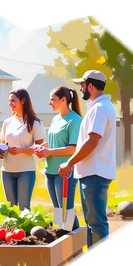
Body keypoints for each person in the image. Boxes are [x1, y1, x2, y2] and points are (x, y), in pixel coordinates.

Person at [58, 70, 117, 247]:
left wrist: (69, 163)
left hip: (94, 174)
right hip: (93, 173)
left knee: (97, 224)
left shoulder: (99, 109)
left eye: (82, 85)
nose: (81, 88)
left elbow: (91, 142)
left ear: (90, 86)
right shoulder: (101, 107)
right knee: (93, 224)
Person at [33, 86, 82, 230]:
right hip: (50, 171)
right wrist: (42, 147)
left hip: (65, 172)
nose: (50, 103)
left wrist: (49, 152)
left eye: (52, 100)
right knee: (58, 211)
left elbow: (73, 148)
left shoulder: (75, 120)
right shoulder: (55, 118)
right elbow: (53, 141)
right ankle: (64, 247)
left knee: (66, 211)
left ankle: (77, 244)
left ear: (63, 100)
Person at [0, 88, 45, 210]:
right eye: (9, 101)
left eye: (13, 101)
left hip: (26, 171)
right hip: (7, 170)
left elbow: (40, 149)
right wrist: (0, 152)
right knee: (10, 208)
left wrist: (21, 150)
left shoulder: (35, 123)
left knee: (24, 208)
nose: (10, 104)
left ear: (23, 101)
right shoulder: (7, 122)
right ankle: (12, 230)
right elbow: (4, 145)